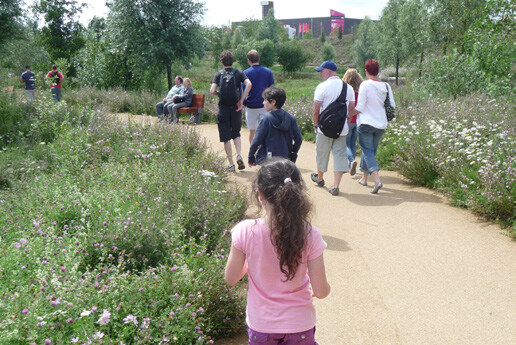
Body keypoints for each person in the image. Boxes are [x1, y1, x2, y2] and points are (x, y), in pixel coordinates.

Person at [225, 158, 330, 345]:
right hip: (300, 325)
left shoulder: (244, 231)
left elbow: (231, 278)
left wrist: (252, 261)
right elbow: (321, 291)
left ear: (260, 194)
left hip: (261, 326)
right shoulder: (310, 234)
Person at [348, 59, 395, 194]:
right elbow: (392, 105)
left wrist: (349, 115)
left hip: (366, 124)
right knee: (370, 150)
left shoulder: (365, 85)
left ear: (366, 71)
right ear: (378, 71)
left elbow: (360, 107)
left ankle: (377, 180)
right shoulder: (386, 86)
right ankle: (364, 178)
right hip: (381, 124)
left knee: (367, 150)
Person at [311, 61, 355, 196]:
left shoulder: (322, 87)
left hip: (324, 128)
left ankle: (320, 178)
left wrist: (316, 125)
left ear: (329, 71)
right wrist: (346, 121)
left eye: (321, 71)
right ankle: (335, 186)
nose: (320, 74)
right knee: (340, 155)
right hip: (341, 128)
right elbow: (351, 109)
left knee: (322, 152)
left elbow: (316, 110)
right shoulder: (348, 88)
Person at [210, 50, 252, 172]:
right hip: (236, 108)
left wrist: (218, 94)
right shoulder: (238, 73)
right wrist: (241, 100)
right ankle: (239, 154)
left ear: (222, 62)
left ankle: (231, 164)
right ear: (232, 62)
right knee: (236, 133)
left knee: (226, 137)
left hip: (223, 108)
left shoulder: (218, 74)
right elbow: (249, 84)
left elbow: (212, 90)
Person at [248, 86, 302, 166]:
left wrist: (251, 157)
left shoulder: (266, 119)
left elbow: (256, 141)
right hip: (285, 159)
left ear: (273, 102)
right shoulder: (291, 118)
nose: (263, 103)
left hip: (268, 160)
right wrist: (293, 153)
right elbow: (299, 139)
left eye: (265, 100)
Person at [243, 49, 275, 144]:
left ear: (249, 60)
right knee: (265, 130)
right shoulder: (268, 72)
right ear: (259, 59)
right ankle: (264, 152)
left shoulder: (245, 73)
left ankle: (254, 153)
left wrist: (244, 102)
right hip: (265, 106)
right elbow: (272, 89)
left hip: (251, 106)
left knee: (252, 131)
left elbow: (242, 90)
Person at [342, 68, 363, 176]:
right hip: (358, 121)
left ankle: (351, 161)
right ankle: (351, 166)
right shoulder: (360, 91)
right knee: (352, 144)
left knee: (345, 144)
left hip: (348, 120)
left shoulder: (346, 90)